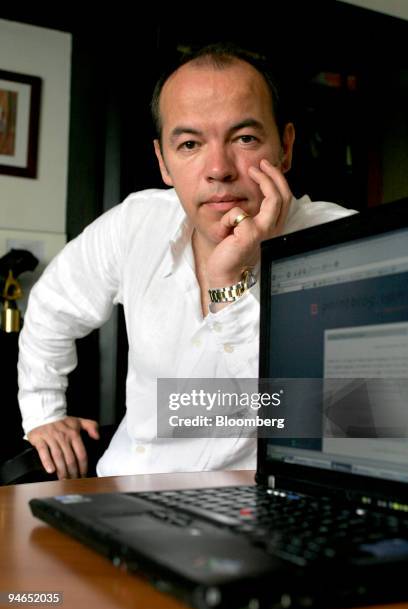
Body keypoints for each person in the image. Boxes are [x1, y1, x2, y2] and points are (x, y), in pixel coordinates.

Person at [17, 43, 355, 479]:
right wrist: (43, 411)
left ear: (285, 148)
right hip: (120, 492)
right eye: (191, 144)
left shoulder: (340, 242)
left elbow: (350, 416)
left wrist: (228, 287)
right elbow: (51, 307)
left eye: (245, 138)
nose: (219, 169)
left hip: (257, 511)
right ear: (164, 162)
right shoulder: (137, 222)